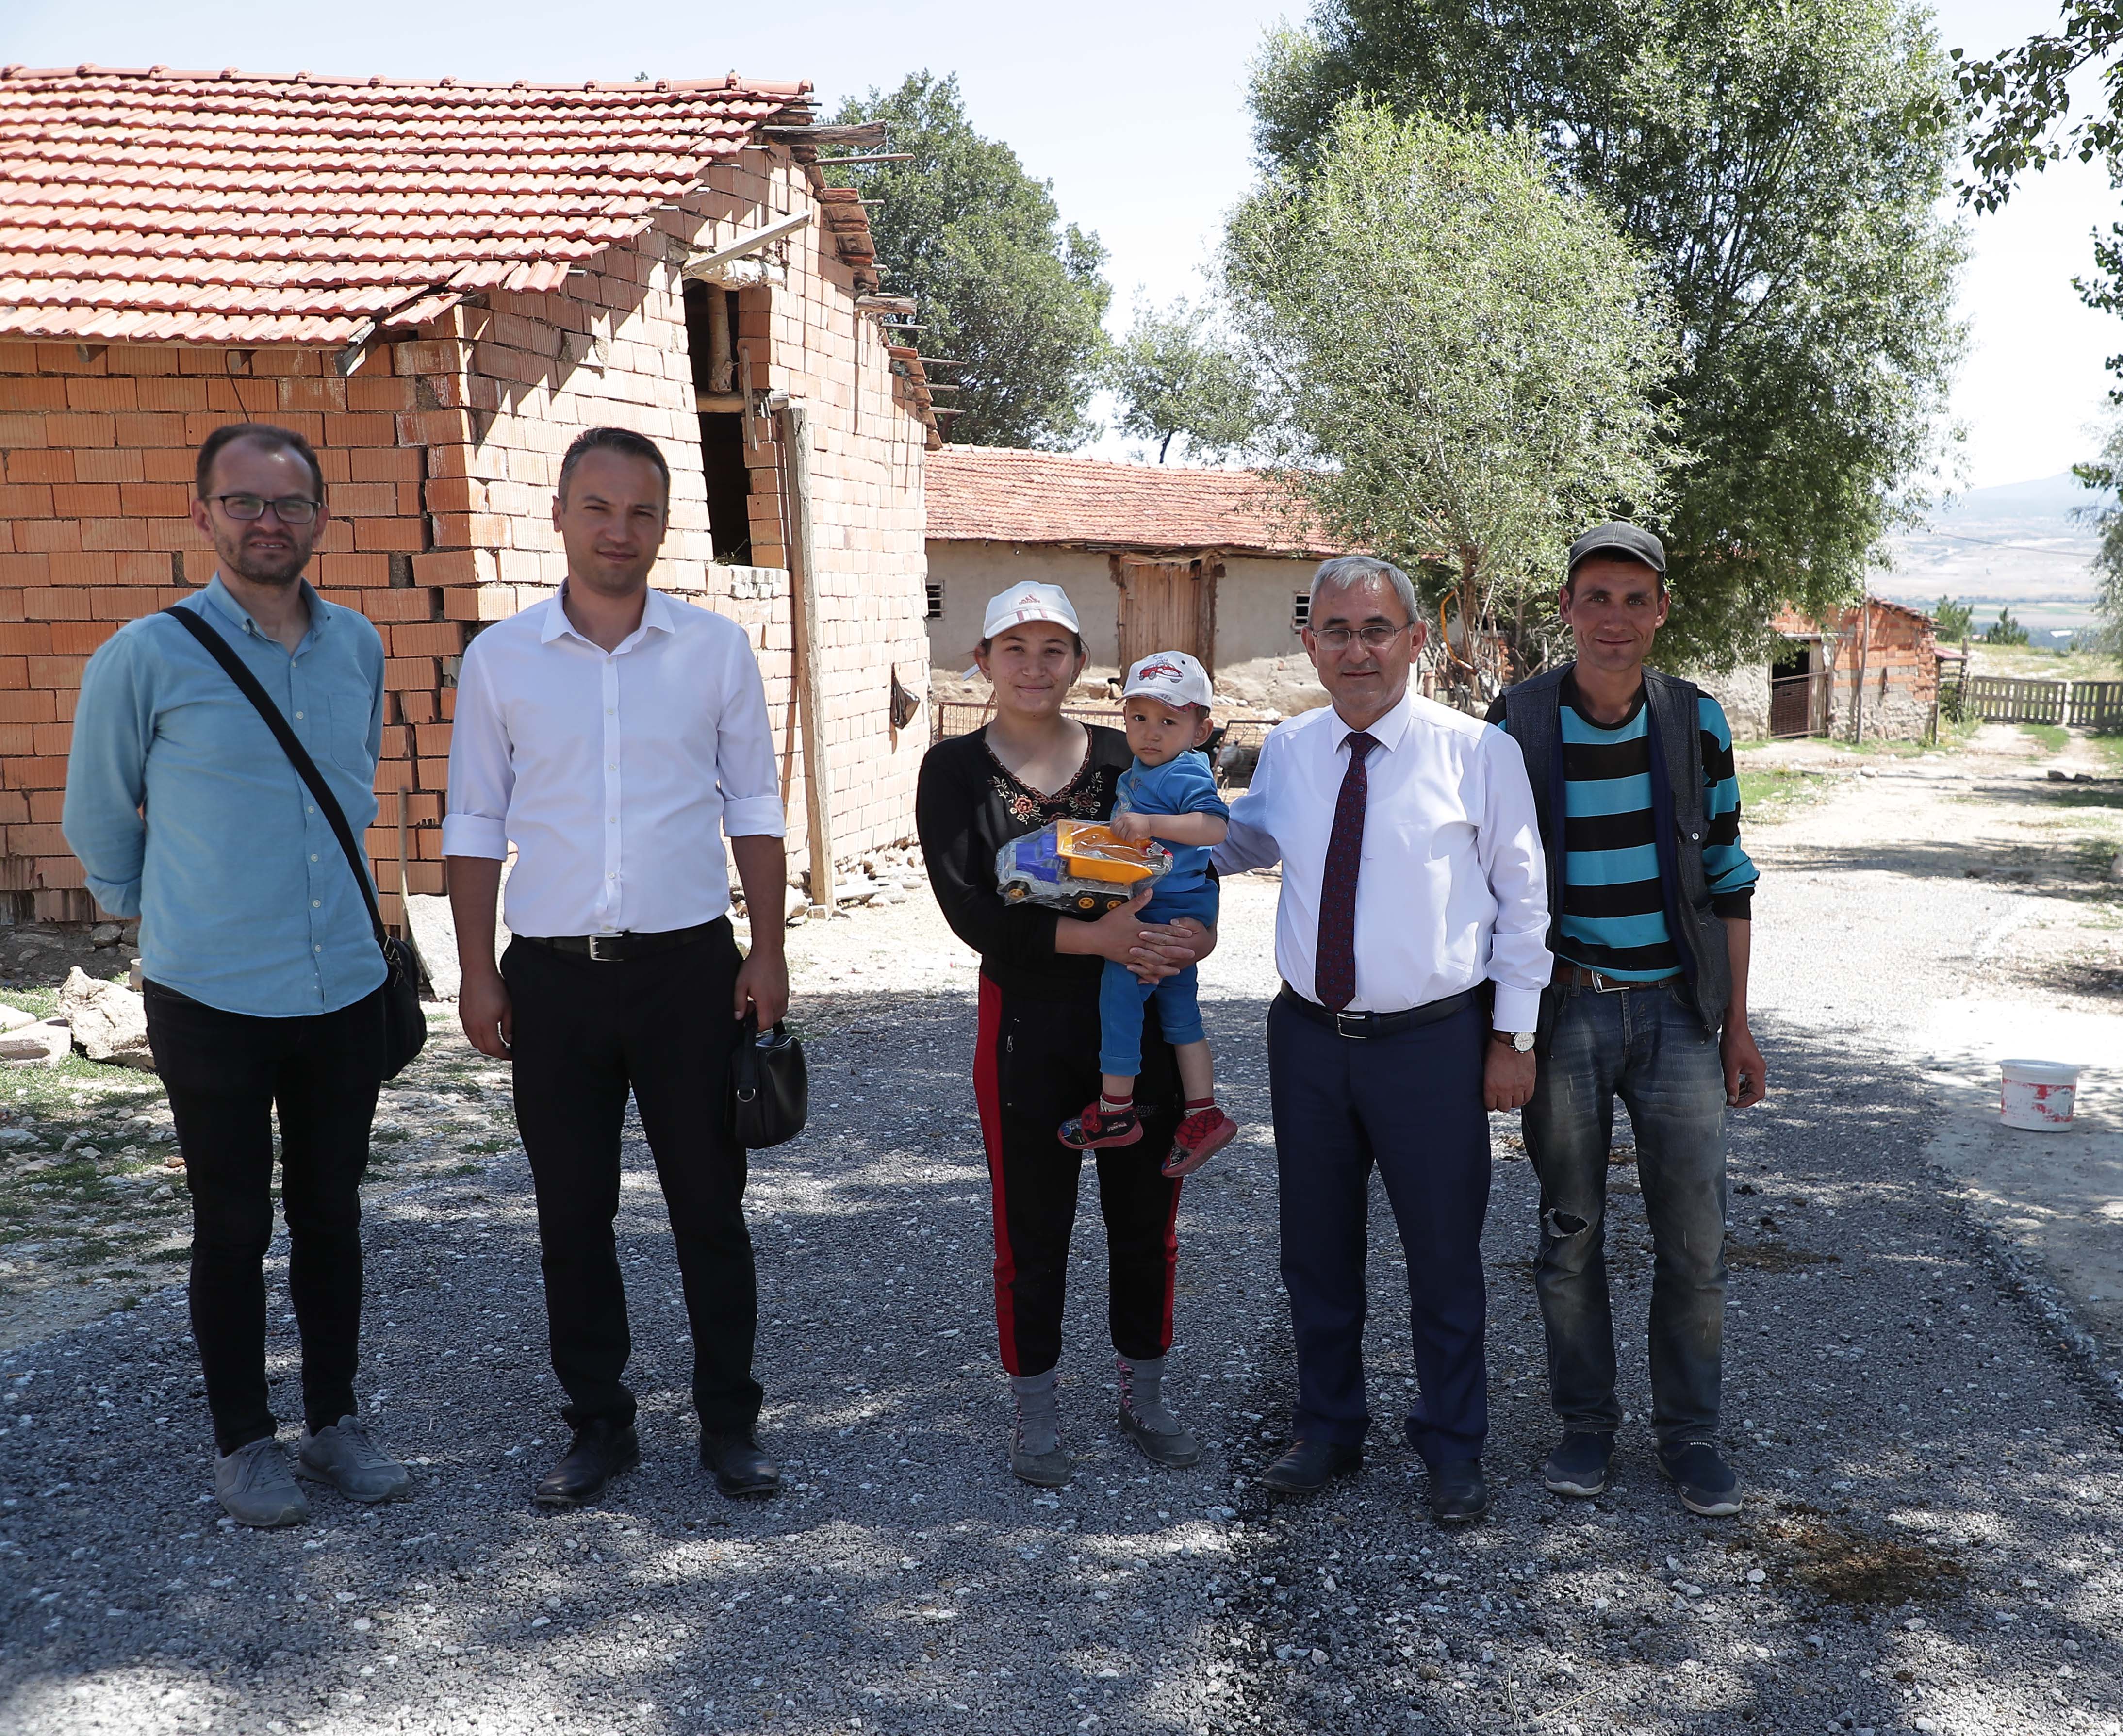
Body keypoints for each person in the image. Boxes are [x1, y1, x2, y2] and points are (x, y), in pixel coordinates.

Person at [62, 424, 411, 1528]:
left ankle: (334, 1421)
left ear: (320, 519)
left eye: (290, 503)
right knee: (231, 1223)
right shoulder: (145, 656)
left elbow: (352, 785)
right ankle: (243, 1441)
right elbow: (96, 812)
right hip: (210, 993)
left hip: (341, 983)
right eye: (245, 501)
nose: (269, 521)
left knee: (331, 1213)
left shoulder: (359, 646)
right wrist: (167, 908)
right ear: (203, 513)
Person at [442, 426, 790, 1509]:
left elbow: (756, 806)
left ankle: (730, 1422)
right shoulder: (501, 659)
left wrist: (769, 947)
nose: (618, 531)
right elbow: (474, 821)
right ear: (559, 515)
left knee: (709, 1208)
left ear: (664, 524)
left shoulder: (714, 651)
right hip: (551, 980)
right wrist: (476, 971)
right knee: (571, 1214)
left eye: (641, 512)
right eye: (596, 507)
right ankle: (599, 1423)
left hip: (690, 973)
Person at [1214, 555, 1550, 1525]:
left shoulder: (1477, 753)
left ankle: (1452, 1445)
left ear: (1415, 641)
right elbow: (1246, 842)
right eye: (1337, 631)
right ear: (1310, 644)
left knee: (1443, 1256)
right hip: (1309, 1040)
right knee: (1315, 1250)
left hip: (1433, 1045)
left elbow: (1525, 901)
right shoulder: (1289, 749)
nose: (1357, 649)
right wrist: (1143, 833)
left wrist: (1513, 1035)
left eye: (1376, 630)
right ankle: (1327, 1427)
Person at [1487, 523, 1765, 1518]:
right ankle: (1585, 1425)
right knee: (1569, 1229)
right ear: (1566, 608)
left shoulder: (1695, 719)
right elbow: (1488, 880)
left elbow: (1727, 874)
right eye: (1596, 597)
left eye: (1634, 599)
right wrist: (1505, 1032)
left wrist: (1736, 1024)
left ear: (1661, 611)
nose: (1614, 617)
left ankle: (1690, 1436)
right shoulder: (1516, 720)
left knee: (1695, 1237)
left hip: (1679, 1016)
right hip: (1564, 1010)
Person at [918, 585, 1219, 1486]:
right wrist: (1097, 939)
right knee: (1032, 1221)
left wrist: (1195, 940)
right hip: (1026, 1023)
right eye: (1014, 647)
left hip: (1140, 1015)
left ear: (1080, 663)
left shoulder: (1134, 751)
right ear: (982, 660)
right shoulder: (954, 770)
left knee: (1146, 1216)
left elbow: (1199, 868)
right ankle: (1036, 1403)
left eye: (1054, 648)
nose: (1034, 665)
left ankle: (1145, 1391)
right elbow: (969, 909)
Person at [1059, 649, 1237, 1178]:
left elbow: (1214, 828)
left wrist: (1151, 823)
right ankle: (1203, 1112)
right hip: (1168, 903)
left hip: (1167, 908)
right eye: (1139, 717)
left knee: (1119, 997)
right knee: (1181, 1015)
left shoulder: (1183, 773)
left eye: (1168, 721)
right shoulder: (1142, 769)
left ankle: (1115, 1109)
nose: (1151, 732)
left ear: (1200, 729)